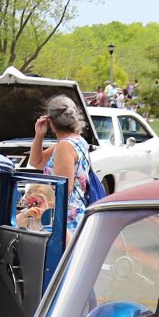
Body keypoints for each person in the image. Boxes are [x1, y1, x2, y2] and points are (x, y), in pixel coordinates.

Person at [28, 94, 93, 239]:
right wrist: (39, 135)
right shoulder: (76, 140)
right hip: (75, 212)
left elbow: (64, 189)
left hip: (65, 218)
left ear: (50, 120)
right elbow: (36, 161)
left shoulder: (65, 146)